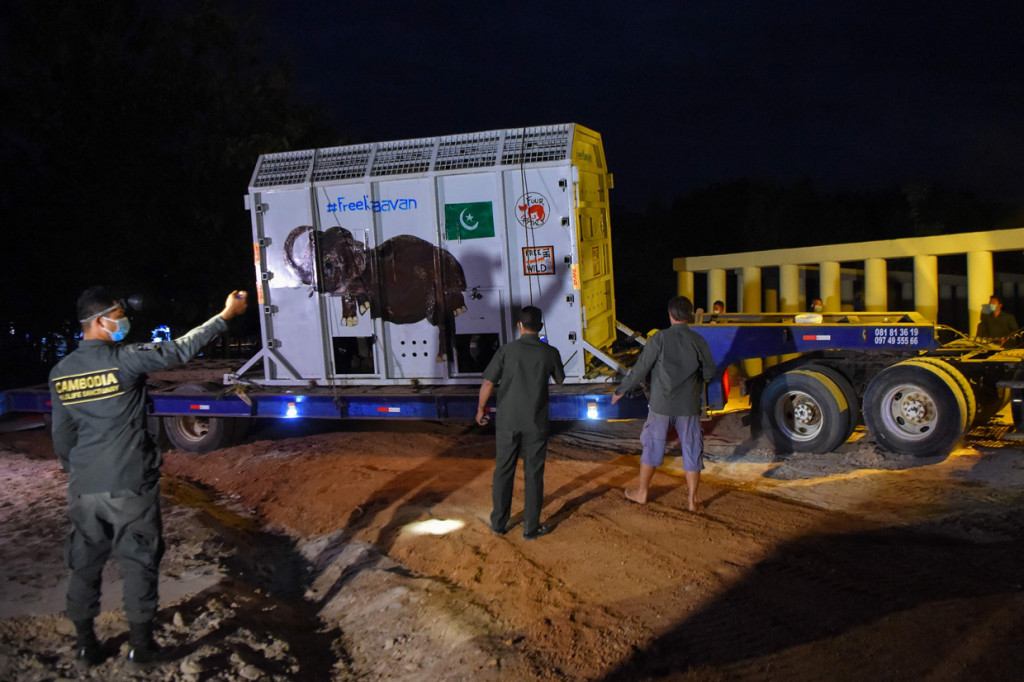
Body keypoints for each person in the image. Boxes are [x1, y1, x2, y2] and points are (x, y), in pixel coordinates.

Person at [49, 286, 248, 668]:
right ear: (98, 322)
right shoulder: (123, 359)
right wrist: (225, 316)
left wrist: (75, 472)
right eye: (118, 314)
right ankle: (141, 646)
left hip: (84, 487)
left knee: (84, 563)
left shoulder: (61, 372)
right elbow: (180, 350)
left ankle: (85, 645)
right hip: (129, 482)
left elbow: (62, 435)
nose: (124, 320)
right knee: (138, 560)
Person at [612, 296, 714, 512]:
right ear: (690, 315)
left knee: (652, 447)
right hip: (688, 406)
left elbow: (640, 368)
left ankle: (642, 493)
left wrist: (621, 390)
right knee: (692, 450)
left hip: (661, 405)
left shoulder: (659, 339)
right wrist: (697, 379)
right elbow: (710, 371)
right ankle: (692, 501)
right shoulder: (698, 340)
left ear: (669, 315)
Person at [476, 306, 565, 539]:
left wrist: (480, 408)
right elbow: (560, 380)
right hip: (535, 422)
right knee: (534, 474)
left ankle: (498, 523)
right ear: (541, 327)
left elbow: (488, 383)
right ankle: (530, 528)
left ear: (519, 326)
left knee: (503, 470)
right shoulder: (550, 352)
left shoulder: (507, 351)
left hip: (508, 421)